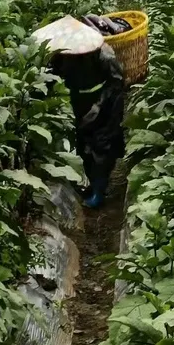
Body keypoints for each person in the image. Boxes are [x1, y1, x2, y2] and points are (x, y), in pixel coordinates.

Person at [32, 16, 127, 210]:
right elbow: (50, 78)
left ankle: (99, 192)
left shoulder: (104, 55)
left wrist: (98, 107)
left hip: (107, 102)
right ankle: (94, 184)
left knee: (102, 145)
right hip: (80, 100)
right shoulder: (62, 56)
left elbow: (117, 84)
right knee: (84, 144)